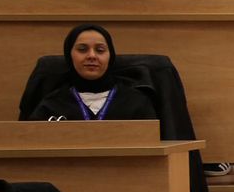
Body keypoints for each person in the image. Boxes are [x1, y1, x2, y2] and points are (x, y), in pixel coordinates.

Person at [27, 22, 160, 123]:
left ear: (110, 57)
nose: (92, 56)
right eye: (82, 49)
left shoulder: (136, 102)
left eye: (100, 50)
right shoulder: (51, 105)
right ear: (69, 56)